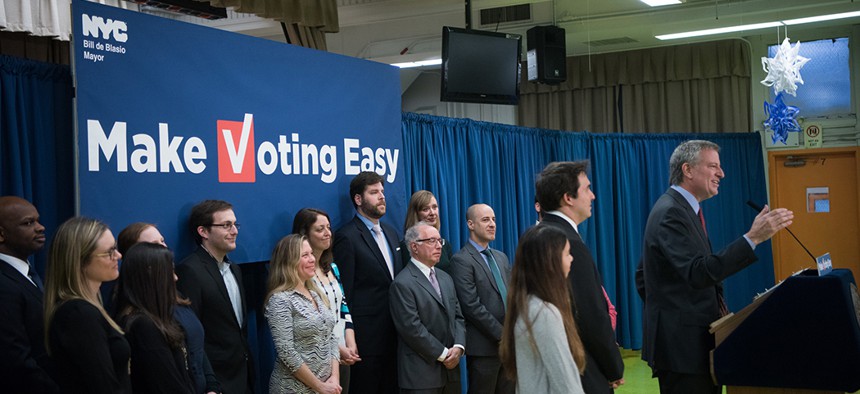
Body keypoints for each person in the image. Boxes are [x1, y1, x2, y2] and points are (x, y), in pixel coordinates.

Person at [637, 140, 794, 393]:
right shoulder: (671, 212)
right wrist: (752, 238)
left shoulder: (682, 208)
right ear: (687, 170)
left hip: (690, 345)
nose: (721, 173)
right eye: (713, 166)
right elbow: (698, 272)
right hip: (683, 351)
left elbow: (643, 275)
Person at [535, 161, 625, 393]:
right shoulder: (569, 243)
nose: (593, 196)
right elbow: (590, 313)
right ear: (568, 198)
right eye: (587, 189)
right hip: (581, 369)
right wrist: (613, 367)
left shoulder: (537, 235)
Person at [117, 222, 221, 394]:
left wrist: (212, 386)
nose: (163, 247)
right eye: (154, 244)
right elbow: (167, 382)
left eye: (163, 241)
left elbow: (197, 348)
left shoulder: (175, 298)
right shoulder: (142, 322)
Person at [333, 171, 402, 393]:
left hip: (396, 337)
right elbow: (346, 294)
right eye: (374, 192)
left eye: (382, 191)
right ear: (358, 199)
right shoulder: (347, 236)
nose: (382, 196)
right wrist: (349, 337)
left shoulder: (391, 233)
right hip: (366, 341)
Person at [44, 217, 131, 393]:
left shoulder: (86, 309)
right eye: (109, 252)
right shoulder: (79, 314)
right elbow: (103, 386)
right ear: (80, 261)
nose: (119, 256)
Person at [176, 200, 253, 394]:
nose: (234, 231)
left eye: (235, 224)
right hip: (215, 381)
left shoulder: (235, 269)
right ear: (203, 231)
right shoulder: (190, 270)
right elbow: (192, 332)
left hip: (243, 377)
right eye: (226, 225)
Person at [499, 225, 585, 394]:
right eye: (567, 254)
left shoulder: (527, 306)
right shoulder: (543, 313)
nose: (571, 259)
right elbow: (566, 382)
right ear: (550, 261)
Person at [390, 222, 466, 393]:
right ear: (414, 247)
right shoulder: (402, 283)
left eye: (440, 241)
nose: (439, 246)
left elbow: (458, 317)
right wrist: (444, 354)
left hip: (451, 372)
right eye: (432, 241)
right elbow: (412, 329)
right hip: (421, 376)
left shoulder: (446, 278)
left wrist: (459, 347)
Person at [293, 208, 361, 393]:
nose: (327, 233)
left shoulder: (333, 267)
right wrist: (338, 349)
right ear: (304, 234)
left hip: (342, 354)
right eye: (320, 229)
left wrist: (350, 342)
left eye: (329, 228)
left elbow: (343, 306)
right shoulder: (301, 273)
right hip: (316, 356)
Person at [448, 203, 514, 394]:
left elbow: (510, 297)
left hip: (508, 349)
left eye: (493, 219)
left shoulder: (500, 257)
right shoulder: (461, 260)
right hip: (484, 349)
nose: (492, 224)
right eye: (485, 220)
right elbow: (471, 305)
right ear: (470, 224)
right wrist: (503, 335)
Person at [113, 242, 196, 393]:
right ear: (150, 274)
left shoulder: (156, 319)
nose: (175, 278)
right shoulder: (144, 326)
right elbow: (168, 385)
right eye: (169, 271)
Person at [265, 234, 341, 394]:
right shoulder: (280, 300)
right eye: (305, 255)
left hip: (326, 387)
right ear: (289, 262)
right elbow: (286, 351)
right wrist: (319, 386)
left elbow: (332, 338)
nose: (312, 259)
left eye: (311, 253)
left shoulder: (315, 294)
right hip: (293, 389)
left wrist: (334, 378)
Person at [0, 196, 58, 393]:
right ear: (1, 234)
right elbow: (15, 360)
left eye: (38, 220)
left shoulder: (27, 274)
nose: (40, 227)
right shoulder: (3, 285)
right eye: (28, 223)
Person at [401, 190, 454, 272]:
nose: (432, 213)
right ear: (415, 213)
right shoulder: (406, 246)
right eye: (425, 209)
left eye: (434, 207)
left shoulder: (444, 244)